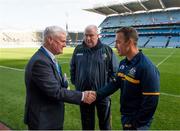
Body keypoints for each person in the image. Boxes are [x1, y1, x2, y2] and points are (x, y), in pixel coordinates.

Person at [24, 26, 96, 130]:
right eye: (62, 41)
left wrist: (64, 83)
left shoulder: (48, 58)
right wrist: (83, 96)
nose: (65, 45)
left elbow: (56, 86)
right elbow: (55, 92)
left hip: (50, 118)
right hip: (43, 121)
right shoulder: (40, 62)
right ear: (50, 40)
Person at [90, 27, 160, 130]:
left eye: (118, 42)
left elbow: (151, 102)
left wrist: (135, 123)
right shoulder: (123, 63)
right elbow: (115, 84)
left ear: (129, 42)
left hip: (138, 123)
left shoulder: (146, 67)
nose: (115, 46)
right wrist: (96, 94)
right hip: (126, 116)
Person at [70, 25, 118, 130]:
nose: (88, 38)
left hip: (102, 95)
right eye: (86, 35)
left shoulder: (107, 50)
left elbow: (114, 72)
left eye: (91, 35)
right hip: (84, 94)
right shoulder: (78, 50)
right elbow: (72, 68)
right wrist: (77, 84)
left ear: (98, 36)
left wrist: (106, 89)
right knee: (87, 125)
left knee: (105, 125)